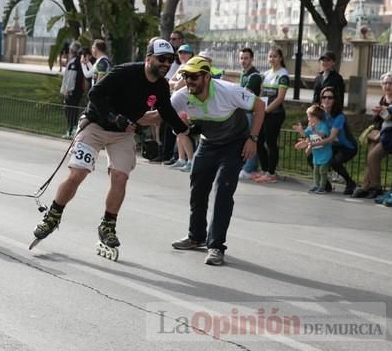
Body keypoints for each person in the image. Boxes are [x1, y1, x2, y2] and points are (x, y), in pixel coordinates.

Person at [31, 39, 189, 249]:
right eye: (162, 59)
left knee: (120, 177)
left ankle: (107, 225)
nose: (167, 64)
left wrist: (186, 130)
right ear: (148, 58)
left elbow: (167, 111)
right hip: (96, 125)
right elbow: (94, 94)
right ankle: (52, 216)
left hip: (122, 134)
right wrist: (115, 117)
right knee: (78, 173)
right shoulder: (125, 72)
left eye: (170, 60)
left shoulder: (160, 86)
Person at [170, 56, 265, 265]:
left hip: (234, 145)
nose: (189, 81)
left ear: (206, 77)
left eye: (194, 77)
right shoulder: (183, 95)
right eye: (186, 76)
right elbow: (162, 114)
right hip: (208, 144)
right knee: (198, 189)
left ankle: (216, 246)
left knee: (223, 191)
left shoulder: (228, 91)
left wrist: (253, 139)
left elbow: (259, 106)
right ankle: (196, 237)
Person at [351, 72, 392, 199]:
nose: (387, 86)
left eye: (391, 83)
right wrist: (377, 115)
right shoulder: (383, 98)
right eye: (384, 83)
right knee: (370, 156)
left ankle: (376, 187)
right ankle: (366, 186)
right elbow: (379, 120)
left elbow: (391, 117)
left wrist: (385, 113)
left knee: (372, 157)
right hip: (383, 133)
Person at [308, 86, 358, 194]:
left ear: (335, 100)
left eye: (330, 97)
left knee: (334, 162)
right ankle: (324, 184)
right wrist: (308, 143)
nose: (326, 100)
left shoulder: (339, 117)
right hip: (331, 144)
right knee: (311, 157)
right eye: (324, 97)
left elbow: (330, 137)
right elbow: (313, 131)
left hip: (347, 147)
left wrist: (312, 145)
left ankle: (350, 183)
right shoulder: (320, 114)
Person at [254, 46, 289, 184]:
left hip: (275, 114)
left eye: (275, 56)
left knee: (271, 143)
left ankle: (271, 173)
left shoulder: (283, 75)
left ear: (280, 58)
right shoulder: (267, 73)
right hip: (264, 112)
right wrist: (259, 108)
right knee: (258, 141)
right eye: (270, 56)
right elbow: (262, 93)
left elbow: (280, 98)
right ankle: (264, 170)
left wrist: (266, 110)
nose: (272, 59)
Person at [167, 43, 196, 172]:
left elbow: (178, 85)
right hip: (178, 103)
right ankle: (181, 158)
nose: (183, 55)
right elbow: (170, 82)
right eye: (180, 53)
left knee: (182, 131)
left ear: (191, 54)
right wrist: (174, 84)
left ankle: (190, 160)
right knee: (178, 131)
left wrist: (174, 84)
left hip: (186, 103)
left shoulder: (190, 68)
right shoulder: (181, 67)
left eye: (186, 53)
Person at [294, 105, 333, 194]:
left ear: (315, 117)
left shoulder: (323, 126)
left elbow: (323, 135)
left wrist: (315, 130)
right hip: (316, 154)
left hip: (325, 153)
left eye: (309, 116)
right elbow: (305, 135)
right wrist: (300, 130)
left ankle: (322, 187)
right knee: (316, 171)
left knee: (322, 171)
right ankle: (316, 185)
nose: (308, 119)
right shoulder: (311, 126)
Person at [237, 47, 263, 180]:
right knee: (243, 140)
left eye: (246, 58)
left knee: (251, 140)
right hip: (243, 112)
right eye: (241, 58)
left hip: (251, 113)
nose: (243, 61)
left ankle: (249, 168)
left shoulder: (254, 76)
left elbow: (245, 94)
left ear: (252, 59)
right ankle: (246, 166)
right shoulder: (244, 74)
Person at [60, 42, 85, 139]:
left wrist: (67, 90)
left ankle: (71, 130)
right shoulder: (78, 61)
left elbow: (71, 77)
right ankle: (72, 130)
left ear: (71, 50)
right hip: (77, 91)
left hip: (72, 92)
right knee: (73, 111)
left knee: (70, 111)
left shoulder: (74, 62)